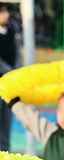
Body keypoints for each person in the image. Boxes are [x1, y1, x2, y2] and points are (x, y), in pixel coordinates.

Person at [0, 4, 20, 151]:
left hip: (9, 83)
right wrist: (8, 70)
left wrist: (16, 73)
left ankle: (5, 153)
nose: (6, 14)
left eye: (6, 11)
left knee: (6, 121)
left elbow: (17, 54)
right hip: (3, 78)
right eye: (3, 12)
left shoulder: (12, 30)